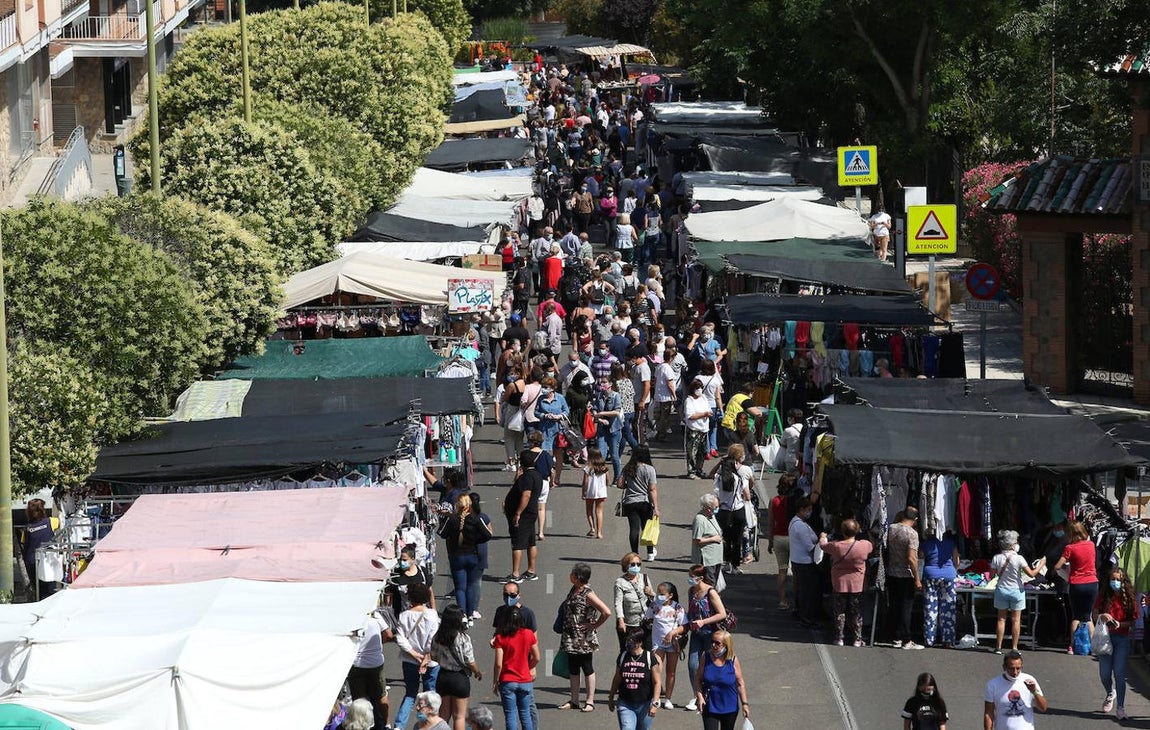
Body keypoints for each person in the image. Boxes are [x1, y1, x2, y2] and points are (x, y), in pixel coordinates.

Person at [558, 562, 612, 712]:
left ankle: (589, 701)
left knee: (587, 667)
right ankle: (574, 700)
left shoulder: (588, 593)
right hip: (570, 637)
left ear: (577, 577)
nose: (570, 576)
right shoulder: (574, 589)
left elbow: (606, 612)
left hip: (583, 639)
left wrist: (594, 625)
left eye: (572, 574)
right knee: (573, 668)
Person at [393, 583, 442, 730]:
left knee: (410, 694)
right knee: (431, 695)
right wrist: (425, 658)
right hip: (430, 661)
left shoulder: (404, 616)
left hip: (409, 660)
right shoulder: (432, 615)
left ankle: (399, 726)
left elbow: (400, 638)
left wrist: (414, 654)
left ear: (410, 597)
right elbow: (433, 639)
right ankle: (430, 725)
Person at [819, 517, 873, 646]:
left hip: (839, 582)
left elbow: (823, 546)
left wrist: (822, 537)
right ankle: (857, 638)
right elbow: (872, 546)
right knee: (857, 611)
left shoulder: (836, 546)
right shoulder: (864, 545)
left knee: (839, 610)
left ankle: (839, 637)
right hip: (857, 583)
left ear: (842, 531)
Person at [438, 495, 492, 625]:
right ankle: (470, 614)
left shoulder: (452, 519)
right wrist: (475, 540)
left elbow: (442, 533)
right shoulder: (476, 518)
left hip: (457, 557)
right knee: (470, 586)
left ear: (458, 505)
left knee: (460, 588)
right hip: (472, 555)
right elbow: (487, 534)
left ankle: (462, 613)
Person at [992, 529, 1045, 653]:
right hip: (1017, 590)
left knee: (1001, 619)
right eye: (1016, 542)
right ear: (1012, 545)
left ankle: (998, 647)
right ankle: (1014, 647)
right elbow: (1032, 574)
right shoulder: (1019, 558)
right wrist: (1041, 564)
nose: (1017, 544)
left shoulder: (996, 558)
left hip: (1001, 589)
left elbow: (992, 575)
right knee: (1016, 620)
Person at [430, 605, 483, 730]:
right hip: (459, 678)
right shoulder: (463, 638)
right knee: (459, 716)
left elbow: (433, 656)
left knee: (443, 716)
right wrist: (477, 672)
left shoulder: (437, 637)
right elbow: (469, 661)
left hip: (443, 676)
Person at [684, 564, 727, 712]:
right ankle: (698, 696)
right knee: (693, 665)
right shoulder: (691, 591)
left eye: (692, 577)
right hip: (696, 634)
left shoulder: (710, 592)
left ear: (700, 578)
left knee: (711, 665)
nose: (690, 579)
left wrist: (703, 621)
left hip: (711, 634)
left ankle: (712, 694)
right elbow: (691, 611)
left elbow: (722, 614)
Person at [1095, 566, 1135, 719]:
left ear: (1124, 581)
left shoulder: (1129, 598)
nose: (1115, 582)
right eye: (1113, 579)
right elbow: (1095, 613)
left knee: (1119, 673)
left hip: (1122, 640)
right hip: (1106, 639)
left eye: (1118, 579)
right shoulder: (1104, 595)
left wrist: (1120, 624)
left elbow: (1132, 621)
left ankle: (1120, 708)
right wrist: (1102, 616)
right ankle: (1110, 692)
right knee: (1105, 674)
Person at [1052, 519, 1098, 651]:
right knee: (1088, 616)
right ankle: (1093, 647)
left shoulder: (1070, 548)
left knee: (1076, 616)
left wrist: (1066, 569)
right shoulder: (1091, 545)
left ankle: (1072, 646)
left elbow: (1057, 566)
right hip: (1092, 582)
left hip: (1076, 583)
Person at [708, 444, 754, 574]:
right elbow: (747, 496)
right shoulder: (739, 477)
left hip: (723, 510)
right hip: (738, 510)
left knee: (726, 538)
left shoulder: (720, 476)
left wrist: (720, 462)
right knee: (737, 539)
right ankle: (735, 566)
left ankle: (726, 562)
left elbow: (711, 474)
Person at [493, 606, 539, 730]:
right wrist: (529, 667)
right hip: (525, 680)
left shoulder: (501, 637)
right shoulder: (528, 634)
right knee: (525, 714)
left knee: (510, 715)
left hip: (507, 680)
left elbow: (498, 664)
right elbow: (537, 657)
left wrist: (495, 681)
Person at [693, 630, 749, 730]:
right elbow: (697, 679)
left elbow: (740, 684)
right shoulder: (705, 657)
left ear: (726, 645)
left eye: (717, 643)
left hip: (730, 707)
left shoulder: (733, 660)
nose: (713, 645)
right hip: (710, 706)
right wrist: (700, 697)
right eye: (712, 642)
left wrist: (745, 704)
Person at [607, 627, 662, 730]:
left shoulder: (649, 658)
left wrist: (655, 703)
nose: (629, 643)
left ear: (640, 642)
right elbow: (617, 679)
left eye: (633, 641)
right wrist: (611, 697)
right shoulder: (623, 656)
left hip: (645, 704)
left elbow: (657, 682)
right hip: (625, 703)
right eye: (628, 640)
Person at [644, 581, 687, 709]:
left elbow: (685, 626)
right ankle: (656, 698)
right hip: (658, 644)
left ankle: (668, 699)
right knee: (656, 670)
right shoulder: (654, 606)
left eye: (662, 594)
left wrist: (672, 633)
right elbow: (647, 618)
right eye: (658, 593)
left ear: (670, 595)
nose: (659, 596)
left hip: (673, 644)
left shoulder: (677, 608)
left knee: (671, 672)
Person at [347, 608, 392, 730]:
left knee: (359, 700)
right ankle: (386, 724)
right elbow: (389, 635)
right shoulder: (375, 616)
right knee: (381, 696)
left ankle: (361, 725)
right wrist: (378, 646)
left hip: (356, 664)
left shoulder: (351, 618)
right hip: (375, 663)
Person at [504, 449, 544, 583]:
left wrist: (518, 513)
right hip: (531, 512)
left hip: (524, 514)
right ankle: (531, 570)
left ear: (522, 462)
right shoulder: (536, 475)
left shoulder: (527, 477)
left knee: (518, 543)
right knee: (531, 541)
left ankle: (515, 574)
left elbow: (526, 495)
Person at [886, 507, 922, 649]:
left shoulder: (891, 528)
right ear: (915, 519)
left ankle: (896, 637)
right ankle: (906, 639)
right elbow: (912, 558)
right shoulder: (912, 534)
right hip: (906, 574)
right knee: (906, 607)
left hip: (892, 572)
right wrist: (917, 578)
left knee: (894, 605)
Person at [983, 651, 1047, 730]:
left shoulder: (1030, 681)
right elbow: (989, 713)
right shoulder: (993, 685)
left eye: (1018, 668)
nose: (1015, 672)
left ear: (1022, 667)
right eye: (1011, 668)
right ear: (1004, 667)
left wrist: (1034, 691)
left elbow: (1043, 708)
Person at [617, 447, 660, 559]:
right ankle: (650, 553)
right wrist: (656, 507)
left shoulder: (628, 467)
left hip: (630, 502)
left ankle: (635, 553)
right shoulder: (650, 469)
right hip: (645, 502)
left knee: (634, 529)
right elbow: (652, 489)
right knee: (647, 528)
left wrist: (628, 486)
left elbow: (620, 484)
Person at [921, 530, 960, 648]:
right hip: (948, 575)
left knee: (930, 607)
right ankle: (948, 640)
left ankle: (929, 639)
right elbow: (956, 560)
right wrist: (954, 569)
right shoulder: (951, 543)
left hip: (930, 574)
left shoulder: (926, 543)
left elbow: (921, 559)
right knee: (948, 608)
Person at [788, 497, 820, 628]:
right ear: (801, 509)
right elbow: (809, 546)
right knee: (806, 591)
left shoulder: (795, 522)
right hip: (804, 562)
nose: (810, 512)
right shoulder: (800, 526)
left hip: (797, 560)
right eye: (808, 510)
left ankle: (800, 612)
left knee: (801, 588)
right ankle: (805, 616)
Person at [766, 474, 796, 610]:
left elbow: (771, 522)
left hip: (778, 537)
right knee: (796, 570)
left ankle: (783, 600)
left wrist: (770, 541)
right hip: (793, 538)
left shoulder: (774, 500)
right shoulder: (794, 501)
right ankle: (797, 600)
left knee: (782, 570)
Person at [20, 498, 60, 599]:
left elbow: (24, 545)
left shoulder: (27, 528)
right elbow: (62, 521)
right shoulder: (51, 521)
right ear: (43, 509)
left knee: (39, 592)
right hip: (48, 560)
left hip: (32, 562)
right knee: (51, 590)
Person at [614, 552, 655, 650]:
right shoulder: (620, 582)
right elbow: (618, 603)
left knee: (648, 650)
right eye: (633, 564)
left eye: (638, 564)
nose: (636, 566)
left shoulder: (644, 578)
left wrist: (651, 593)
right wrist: (621, 621)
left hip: (645, 623)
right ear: (626, 565)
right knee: (628, 650)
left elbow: (654, 600)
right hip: (630, 624)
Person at [387, 544, 436, 613]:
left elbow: (430, 592)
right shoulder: (395, 575)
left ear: (412, 559)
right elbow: (389, 595)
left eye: (405, 560)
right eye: (400, 560)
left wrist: (433, 610)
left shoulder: (423, 572)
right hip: (401, 615)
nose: (401, 562)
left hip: (422, 613)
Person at [593, 377, 625, 482]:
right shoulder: (599, 395)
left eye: (604, 382)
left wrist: (602, 413)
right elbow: (594, 409)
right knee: (601, 455)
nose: (602, 384)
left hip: (614, 429)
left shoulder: (616, 396)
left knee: (614, 455)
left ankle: (617, 478)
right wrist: (600, 419)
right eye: (601, 382)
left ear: (610, 384)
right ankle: (600, 478)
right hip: (602, 429)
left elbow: (616, 412)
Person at [692, 494, 724, 587]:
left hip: (716, 558)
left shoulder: (711, 516)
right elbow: (696, 540)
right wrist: (713, 539)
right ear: (708, 509)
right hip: (708, 559)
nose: (717, 509)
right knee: (709, 583)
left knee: (714, 583)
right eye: (716, 507)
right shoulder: (700, 520)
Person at [684, 379, 711, 479]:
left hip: (704, 429)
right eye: (697, 388)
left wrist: (708, 413)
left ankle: (699, 469)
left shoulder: (703, 398)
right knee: (692, 452)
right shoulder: (689, 400)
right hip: (693, 429)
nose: (699, 390)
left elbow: (708, 409)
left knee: (702, 451)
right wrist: (703, 414)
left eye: (701, 388)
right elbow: (690, 415)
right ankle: (691, 471)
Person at [697, 359, 723, 458]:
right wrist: (721, 409)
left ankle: (706, 450)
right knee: (713, 427)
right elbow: (718, 397)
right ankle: (713, 448)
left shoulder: (697, 378)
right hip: (712, 406)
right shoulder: (715, 380)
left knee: (704, 428)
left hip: (701, 406)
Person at [583, 446, 610, 539]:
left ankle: (592, 528)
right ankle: (599, 532)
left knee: (589, 510)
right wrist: (606, 485)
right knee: (599, 511)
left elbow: (585, 481)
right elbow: (607, 479)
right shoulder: (604, 467)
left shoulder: (588, 468)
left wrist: (584, 491)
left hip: (590, 491)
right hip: (601, 492)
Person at [612, 362, 640, 451]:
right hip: (631, 410)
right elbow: (633, 393)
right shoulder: (628, 381)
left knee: (628, 435)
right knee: (623, 435)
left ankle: (639, 451)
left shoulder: (616, 383)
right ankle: (618, 454)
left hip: (623, 413)